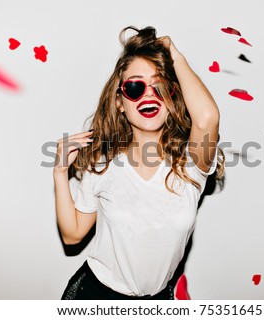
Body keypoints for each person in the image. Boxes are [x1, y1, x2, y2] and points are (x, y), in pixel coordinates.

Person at [53, 26, 225, 300]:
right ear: (120, 102)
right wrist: (61, 172)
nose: (148, 94)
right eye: (135, 86)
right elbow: (72, 235)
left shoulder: (190, 164)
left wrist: (174, 56)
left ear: (172, 98)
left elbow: (207, 118)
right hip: (95, 295)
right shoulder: (104, 165)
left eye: (159, 86)